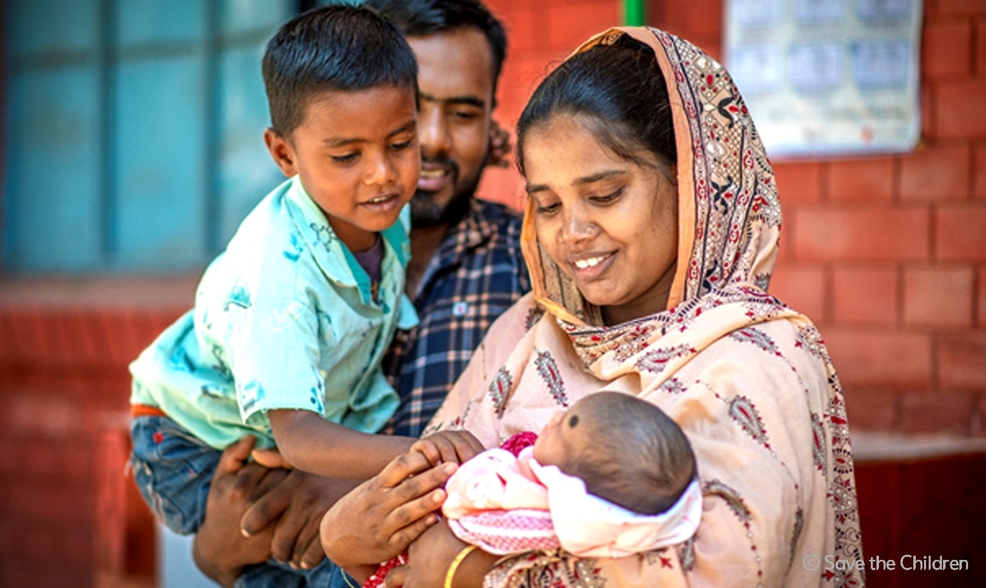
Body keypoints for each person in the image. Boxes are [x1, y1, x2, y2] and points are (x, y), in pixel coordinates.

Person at [320, 26, 865, 588]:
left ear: (694, 183)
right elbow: (427, 506)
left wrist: (470, 569)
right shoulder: (533, 327)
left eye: (605, 196)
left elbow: (726, 567)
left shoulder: (760, 357)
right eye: (549, 204)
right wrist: (350, 536)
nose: (573, 232)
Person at [127, 5, 481, 585]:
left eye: (401, 142)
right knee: (304, 560)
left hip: (277, 433)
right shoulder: (279, 277)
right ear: (284, 154)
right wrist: (425, 449)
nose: (382, 175)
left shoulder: (376, 213)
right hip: (190, 442)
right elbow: (299, 440)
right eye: (347, 156)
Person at [364, 392, 702, 588]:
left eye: (566, 425)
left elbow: (466, 496)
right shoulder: (546, 478)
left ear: (567, 483)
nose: (553, 417)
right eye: (569, 413)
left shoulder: (528, 505)